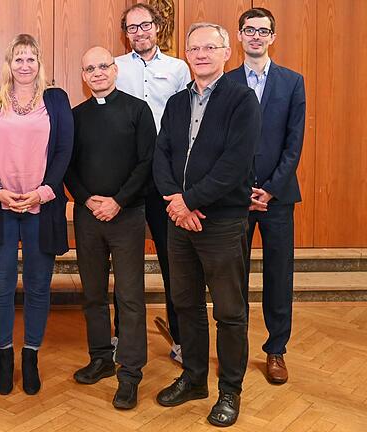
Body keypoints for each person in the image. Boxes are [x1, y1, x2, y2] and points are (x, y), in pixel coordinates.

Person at [153, 23, 261, 427]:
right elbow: (160, 155)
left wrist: (191, 201)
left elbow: (235, 165)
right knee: (187, 304)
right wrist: (176, 204)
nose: (201, 54)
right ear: (186, 53)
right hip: (179, 222)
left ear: (225, 52)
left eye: (209, 47)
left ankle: (230, 390)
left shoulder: (242, 100)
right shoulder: (177, 103)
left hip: (221, 222)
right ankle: (194, 378)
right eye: (194, 48)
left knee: (230, 311)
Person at [0, 34, 73, 396]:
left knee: (37, 288)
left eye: (31, 58)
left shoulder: (56, 99)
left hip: (41, 207)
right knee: (0, 288)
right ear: (9, 63)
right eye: (18, 58)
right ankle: (4, 357)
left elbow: (64, 150)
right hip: (0, 208)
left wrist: (43, 192)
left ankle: (30, 355)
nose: (25, 65)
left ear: (40, 62)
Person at [65, 46, 155, 409]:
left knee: (130, 297)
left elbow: (147, 162)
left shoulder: (138, 109)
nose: (98, 73)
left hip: (128, 214)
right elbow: (67, 166)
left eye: (104, 66)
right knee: (93, 293)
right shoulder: (76, 116)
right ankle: (100, 357)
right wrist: (87, 200)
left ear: (115, 71)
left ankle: (130, 373)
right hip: (88, 216)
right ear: (84, 77)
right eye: (90, 68)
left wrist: (117, 200)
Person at [227, 7, 306, 386]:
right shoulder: (225, 84)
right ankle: (235, 348)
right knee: (233, 277)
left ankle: (276, 350)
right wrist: (242, 190)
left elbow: (294, 143)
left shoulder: (293, 82)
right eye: (249, 30)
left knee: (279, 276)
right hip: (235, 200)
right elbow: (221, 146)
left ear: (273, 37)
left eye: (263, 31)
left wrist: (270, 189)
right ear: (239, 36)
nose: (256, 36)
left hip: (278, 198)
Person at [114, 2, 194, 364]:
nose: (140, 32)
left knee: (172, 260)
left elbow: (186, 119)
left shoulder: (178, 69)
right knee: (124, 262)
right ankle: (120, 336)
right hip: (127, 179)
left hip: (166, 178)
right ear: (125, 33)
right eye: (132, 28)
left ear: (157, 28)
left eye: (145, 25)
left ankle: (180, 338)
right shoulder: (114, 68)